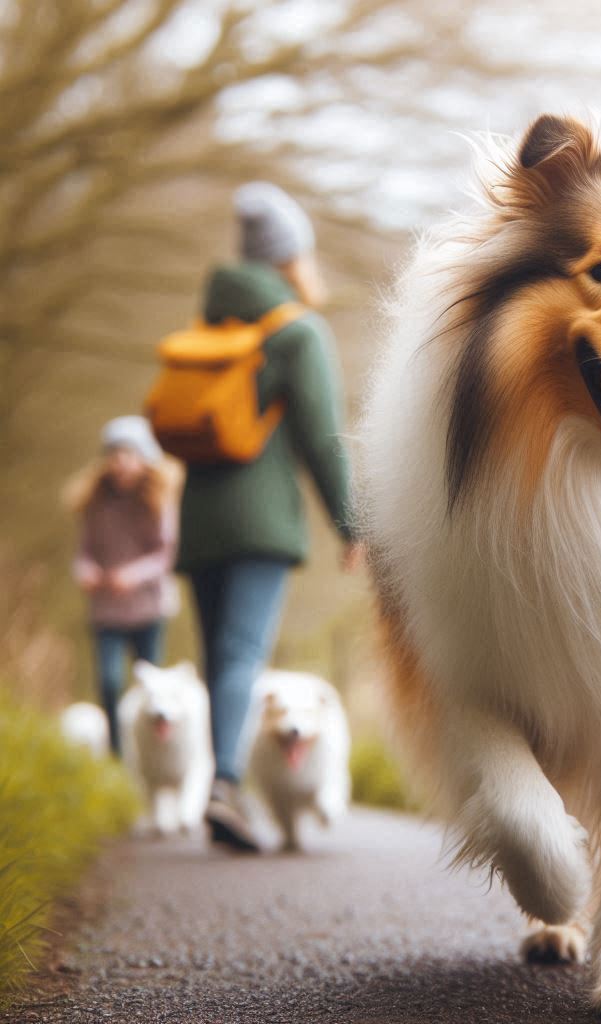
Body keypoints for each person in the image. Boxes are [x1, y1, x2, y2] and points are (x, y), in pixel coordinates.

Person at [177, 182, 358, 851]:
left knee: (218, 656)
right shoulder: (296, 332)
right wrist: (351, 522)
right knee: (242, 658)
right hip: (260, 523)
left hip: (198, 518)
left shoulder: (209, 324)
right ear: (291, 258)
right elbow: (323, 437)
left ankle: (222, 786)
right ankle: (224, 785)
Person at [68, 416, 180, 754]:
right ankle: (117, 752)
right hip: (107, 609)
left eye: (129, 454)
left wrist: (132, 575)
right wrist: (85, 570)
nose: (121, 462)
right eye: (115, 454)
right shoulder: (95, 502)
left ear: (144, 459)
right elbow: (84, 550)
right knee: (110, 681)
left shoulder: (159, 501)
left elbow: (165, 555)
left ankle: (150, 750)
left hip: (149, 608)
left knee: (150, 688)